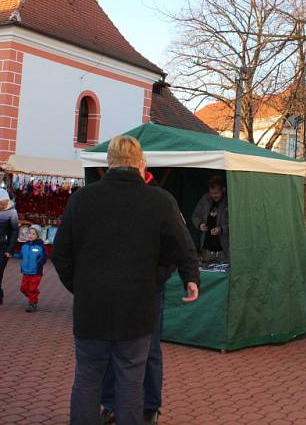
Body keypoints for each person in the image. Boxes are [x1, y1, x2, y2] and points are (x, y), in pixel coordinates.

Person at [53, 135, 200, 425]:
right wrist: (186, 277)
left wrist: (81, 286)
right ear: (140, 162)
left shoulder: (82, 199)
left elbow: (61, 254)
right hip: (137, 307)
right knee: (131, 381)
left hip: (91, 306)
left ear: (109, 162)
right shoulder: (160, 201)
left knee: (87, 378)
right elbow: (181, 248)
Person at [100, 166, 199, 425]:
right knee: (112, 346)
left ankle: (150, 407)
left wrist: (185, 275)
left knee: (150, 349)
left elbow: (182, 241)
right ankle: (110, 404)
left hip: (149, 288)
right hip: (114, 287)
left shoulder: (161, 198)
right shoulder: (107, 195)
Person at [191, 176, 229, 262]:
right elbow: (195, 216)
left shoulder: (229, 201)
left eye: (216, 193)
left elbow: (236, 223)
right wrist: (200, 224)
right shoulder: (205, 199)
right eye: (211, 193)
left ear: (223, 190)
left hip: (224, 252)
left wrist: (222, 229)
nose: (213, 195)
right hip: (206, 252)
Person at [19, 224, 47, 313]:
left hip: (36, 273)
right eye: (29, 233)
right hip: (25, 272)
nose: (30, 235)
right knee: (23, 288)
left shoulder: (40, 246)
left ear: (38, 236)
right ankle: (34, 296)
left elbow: (44, 257)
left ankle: (32, 303)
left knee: (32, 289)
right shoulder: (24, 246)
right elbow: (21, 255)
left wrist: (39, 263)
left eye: (33, 234)